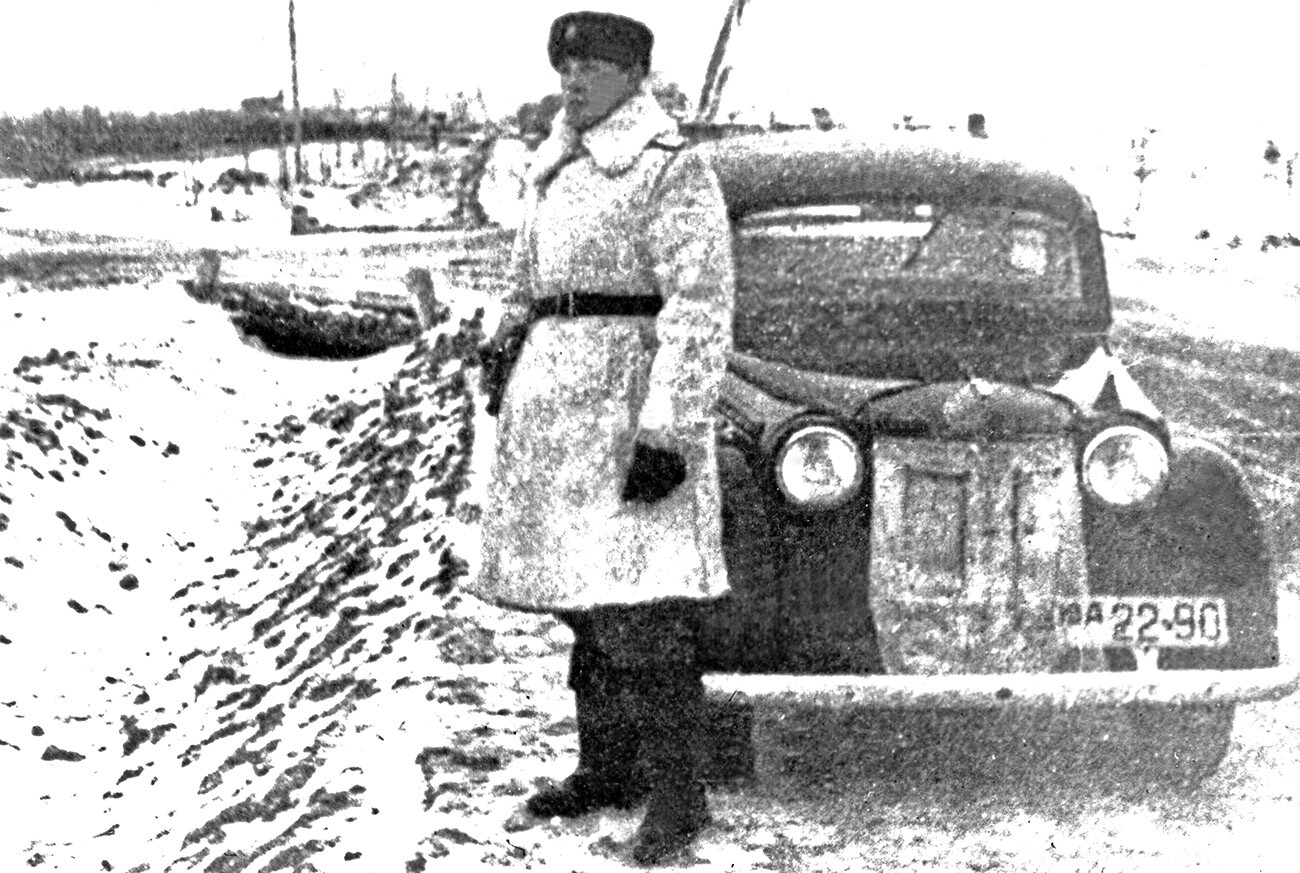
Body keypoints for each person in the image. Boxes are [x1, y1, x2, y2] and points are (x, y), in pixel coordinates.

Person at [466, 10, 735, 866]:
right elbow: (528, 279)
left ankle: (679, 796)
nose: (572, 80)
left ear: (635, 76)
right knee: (584, 606)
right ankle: (605, 768)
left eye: (592, 66)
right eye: (565, 65)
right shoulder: (556, 165)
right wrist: (505, 342)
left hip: (627, 412)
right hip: (556, 417)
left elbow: (699, 308)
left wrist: (666, 427)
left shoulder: (670, 168)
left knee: (645, 611)